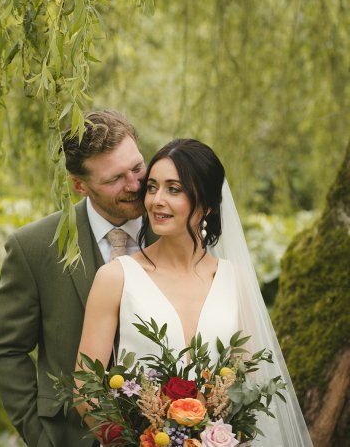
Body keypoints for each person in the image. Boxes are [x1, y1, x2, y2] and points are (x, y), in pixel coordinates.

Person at [76, 138, 314, 446]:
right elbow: (85, 391)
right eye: (152, 187)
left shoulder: (234, 280)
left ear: (207, 204)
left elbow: (251, 385)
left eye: (174, 189)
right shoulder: (116, 277)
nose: (156, 200)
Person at [0, 110, 157, 447]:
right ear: (80, 185)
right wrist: (40, 436)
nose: (135, 185)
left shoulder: (177, 231)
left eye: (137, 168)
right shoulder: (34, 246)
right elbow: (5, 351)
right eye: (115, 179)